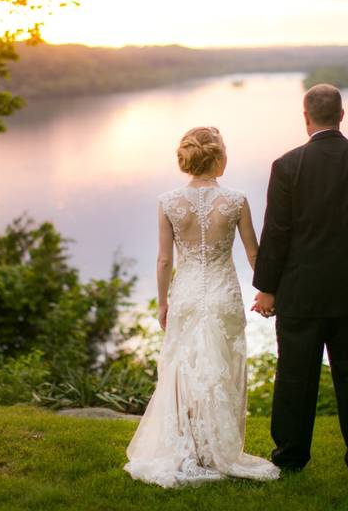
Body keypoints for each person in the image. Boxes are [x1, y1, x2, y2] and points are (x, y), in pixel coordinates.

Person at [251, 83, 348, 476]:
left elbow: (277, 232)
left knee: (296, 376)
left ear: (305, 118)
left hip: (301, 292)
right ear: (341, 115)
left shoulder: (287, 165)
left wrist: (267, 288)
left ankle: (290, 457)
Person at [124, 126, 280, 488]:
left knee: (184, 372)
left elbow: (164, 261)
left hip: (188, 294)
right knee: (222, 369)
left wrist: (163, 302)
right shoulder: (237, 201)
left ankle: (190, 448)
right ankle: (218, 449)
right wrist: (269, 290)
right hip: (224, 293)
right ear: (219, 158)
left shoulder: (168, 202)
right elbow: (254, 253)